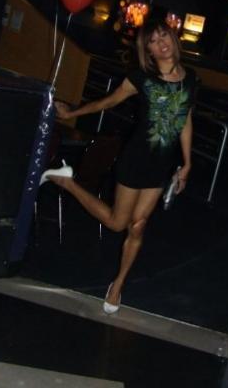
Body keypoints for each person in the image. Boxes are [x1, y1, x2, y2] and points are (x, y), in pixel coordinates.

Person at [42, 19, 197, 314]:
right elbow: (108, 102)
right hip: (135, 160)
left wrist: (187, 163)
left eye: (164, 36)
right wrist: (73, 113)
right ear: (148, 51)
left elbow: (185, 119)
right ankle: (68, 182)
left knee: (138, 226)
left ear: (174, 38)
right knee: (117, 223)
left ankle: (118, 285)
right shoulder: (141, 78)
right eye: (153, 41)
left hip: (161, 166)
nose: (161, 43)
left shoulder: (190, 79)